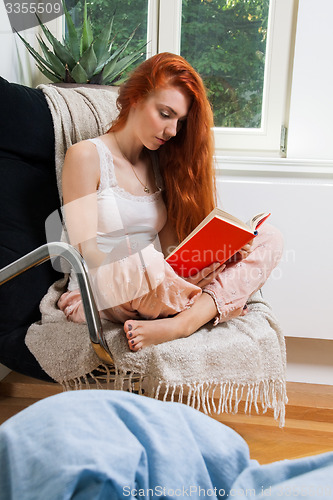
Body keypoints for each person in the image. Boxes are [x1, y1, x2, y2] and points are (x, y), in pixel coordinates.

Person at [58, 52, 283, 352]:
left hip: (157, 284)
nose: (173, 131)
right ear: (136, 98)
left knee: (269, 238)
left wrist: (222, 253)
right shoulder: (85, 155)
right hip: (105, 287)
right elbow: (86, 252)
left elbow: (170, 253)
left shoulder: (159, 164)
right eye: (165, 114)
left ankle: (182, 322)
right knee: (149, 265)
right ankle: (205, 307)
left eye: (179, 120)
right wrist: (148, 265)